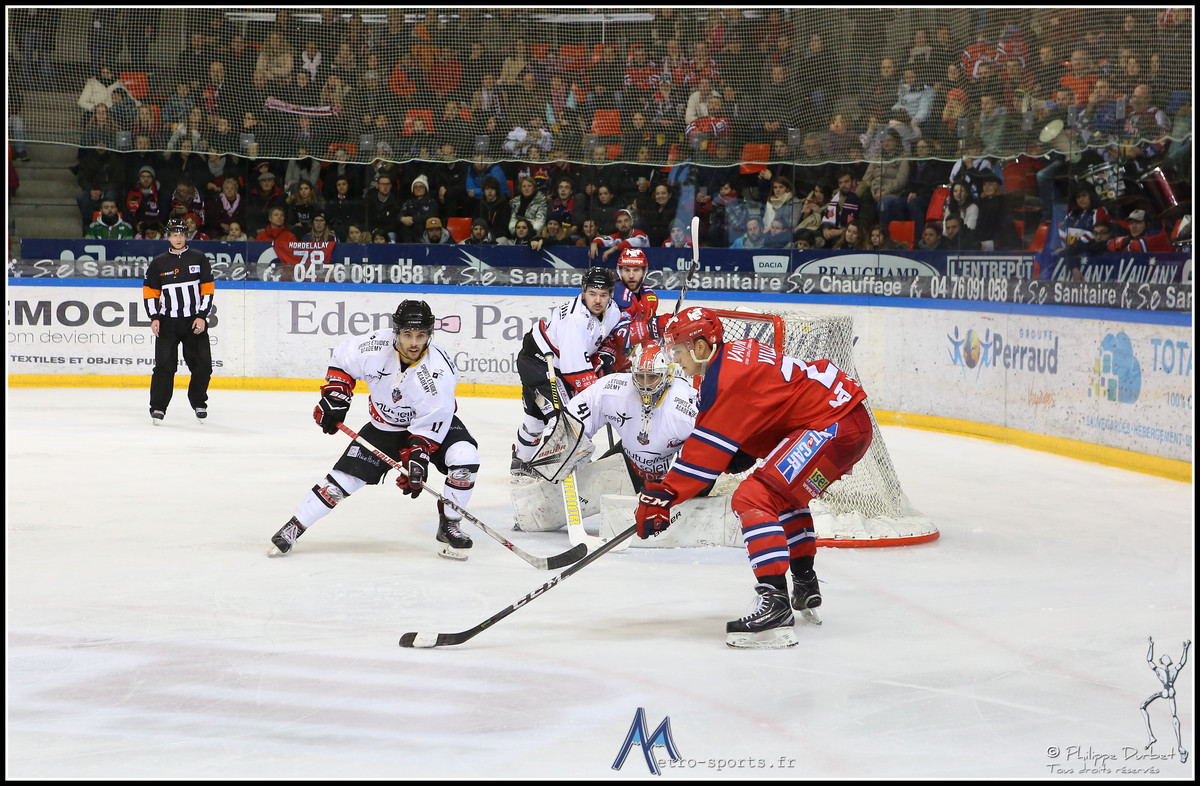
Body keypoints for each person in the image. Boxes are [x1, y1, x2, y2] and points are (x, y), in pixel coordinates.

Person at [634, 307, 874, 648]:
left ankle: (775, 603)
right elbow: (763, 410)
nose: (675, 358)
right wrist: (736, 454)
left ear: (700, 347)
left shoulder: (728, 378)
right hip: (843, 422)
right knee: (782, 496)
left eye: (678, 349)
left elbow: (704, 452)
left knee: (752, 498)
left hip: (832, 426)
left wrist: (665, 494)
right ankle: (804, 581)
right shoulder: (734, 355)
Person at [270, 300, 481, 561]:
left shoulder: (439, 371)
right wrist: (336, 397)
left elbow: (431, 423)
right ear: (396, 332)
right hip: (384, 427)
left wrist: (417, 459)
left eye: (421, 335)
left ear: (429, 335)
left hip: (431, 429)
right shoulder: (374, 346)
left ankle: (450, 523)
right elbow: (343, 361)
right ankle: (295, 526)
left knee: (465, 457)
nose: (414, 343)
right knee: (340, 483)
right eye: (407, 334)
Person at [511, 267, 624, 476]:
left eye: (603, 294)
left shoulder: (613, 310)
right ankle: (550, 470)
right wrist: (601, 392)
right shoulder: (575, 320)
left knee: (536, 421)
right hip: (540, 363)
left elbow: (609, 337)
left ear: (611, 294)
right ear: (583, 291)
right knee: (564, 421)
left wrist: (606, 354)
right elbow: (576, 374)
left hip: (553, 362)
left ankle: (520, 465)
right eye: (592, 293)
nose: (597, 300)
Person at [142, 218, 214, 425]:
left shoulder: (199, 258)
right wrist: (154, 317)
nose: (179, 238)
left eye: (182, 234)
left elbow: (207, 289)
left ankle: (198, 401)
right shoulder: (159, 262)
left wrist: (202, 315)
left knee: (203, 365)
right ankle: (158, 407)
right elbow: (150, 293)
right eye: (175, 235)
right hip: (167, 323)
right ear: (168, 237)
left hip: (193, 321)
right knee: (164, 367)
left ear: (186, 236)